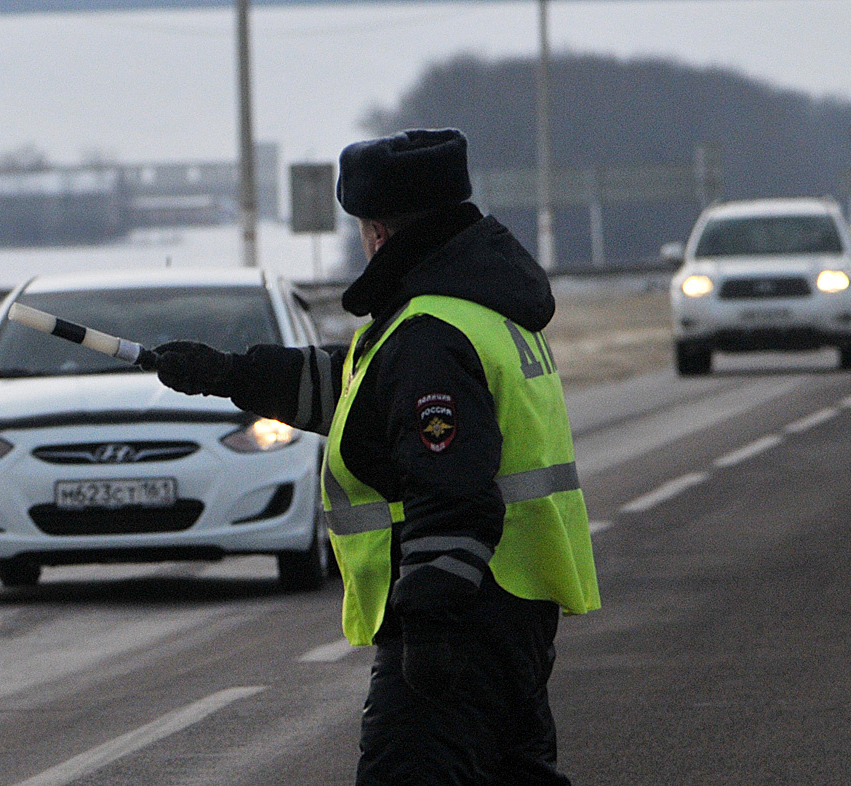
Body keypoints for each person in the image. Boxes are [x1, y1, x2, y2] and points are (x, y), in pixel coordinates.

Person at [153, 128, 600, 785]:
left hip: (458, 615)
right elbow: (363, 396)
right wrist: (228, 374)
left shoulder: (428, 335)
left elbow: (450, 488)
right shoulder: (475, 311)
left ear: (378, 232)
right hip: (509, 605)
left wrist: (430, 625)